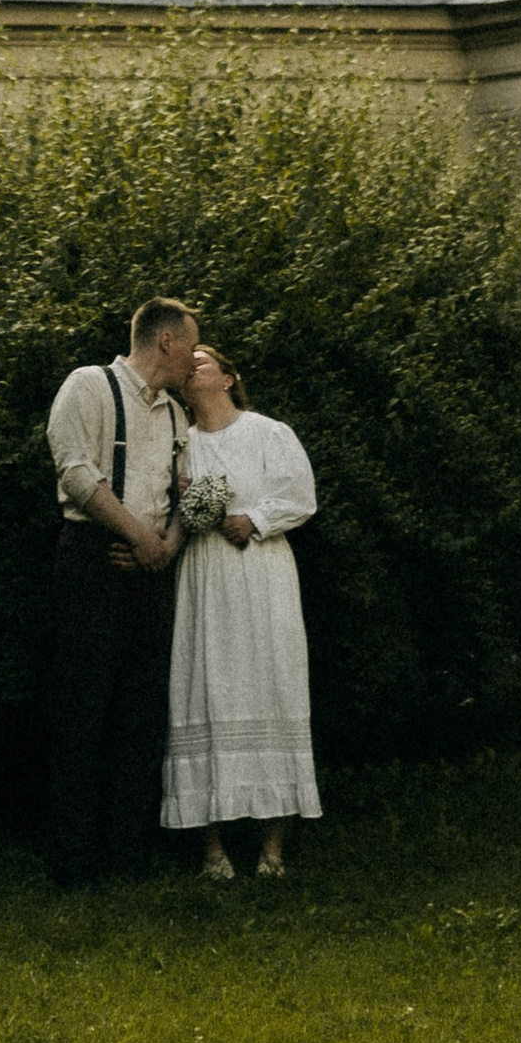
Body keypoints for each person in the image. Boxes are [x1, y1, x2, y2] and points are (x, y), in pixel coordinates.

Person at [42, 296, 197, 888]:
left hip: (151, 568)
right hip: (93, 558)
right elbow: (78, 474)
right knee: (83, 705)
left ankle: (129, 855)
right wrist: (138, 537)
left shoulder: (178, 416)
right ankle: (73, 863)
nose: (195, 357)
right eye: (190, 344)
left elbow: (189, 491)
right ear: (165, 341)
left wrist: (166, 545)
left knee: (142, 709)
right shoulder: (88, 386)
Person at [163, 341, 320, 877]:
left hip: (260, 574)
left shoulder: (268, 433)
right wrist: (180, 499)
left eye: (202, 361)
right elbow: (159, 508)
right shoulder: (176, 444)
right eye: (186, 366)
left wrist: (253, 517)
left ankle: (272, 850)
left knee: (269, 685)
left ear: (229, 378)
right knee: (205, 688)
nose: (192, 369)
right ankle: (213, 852)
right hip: (206, 576)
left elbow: (301, 496)